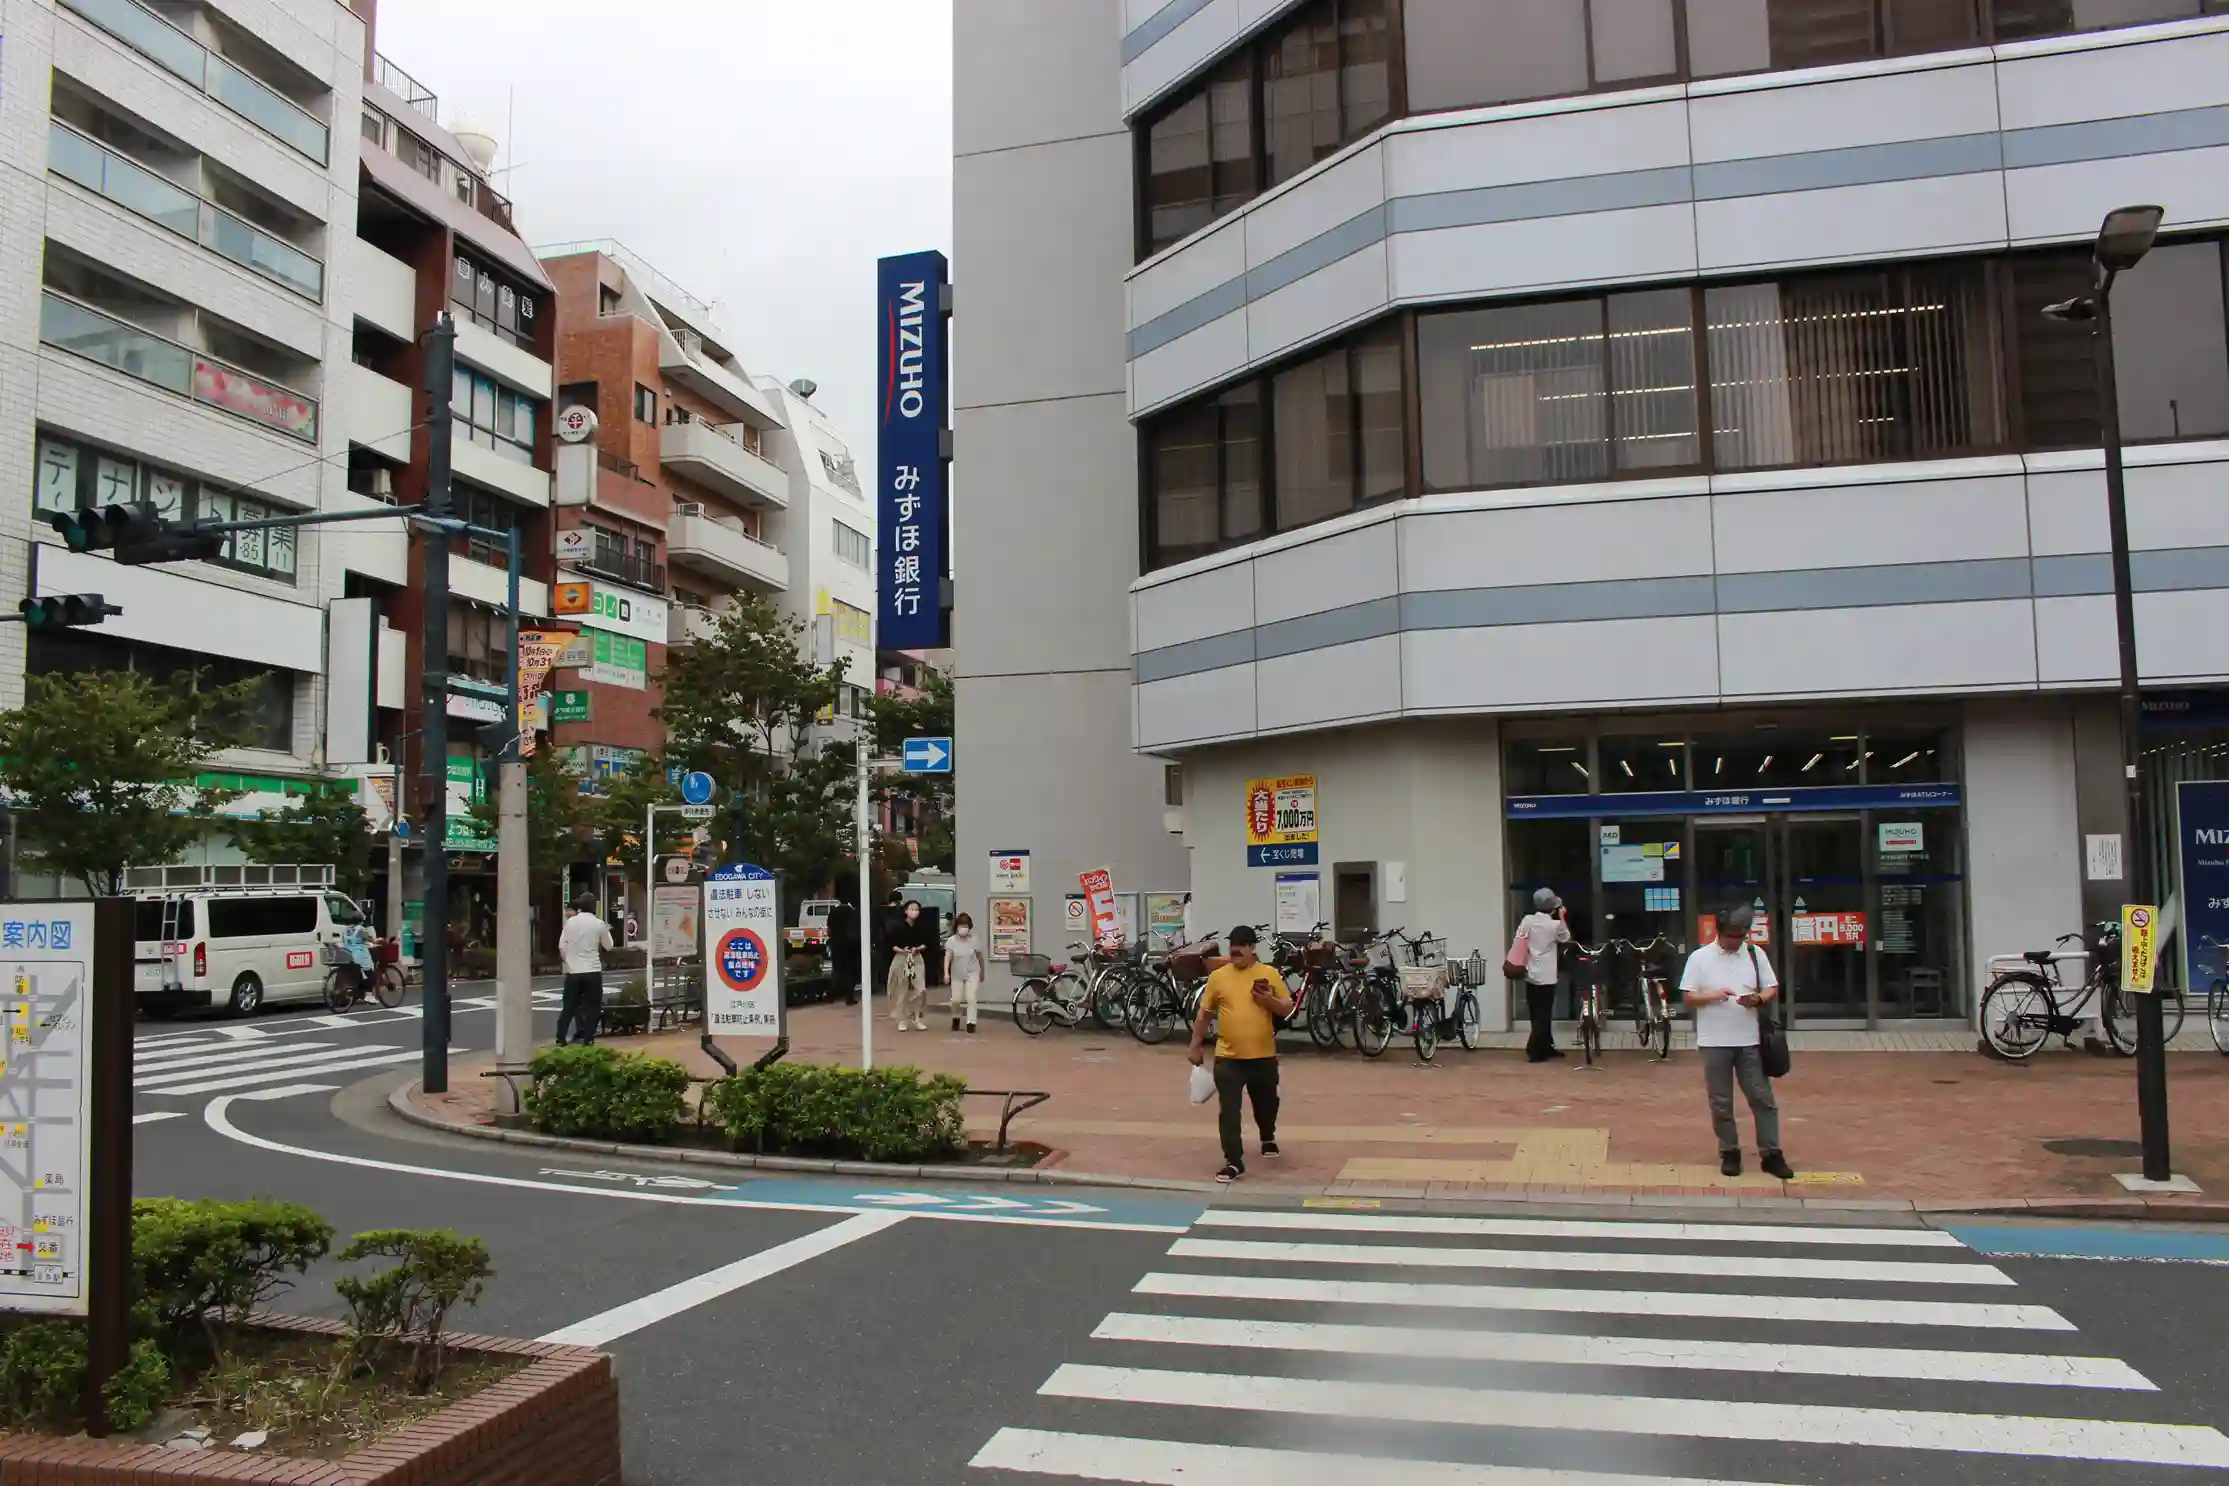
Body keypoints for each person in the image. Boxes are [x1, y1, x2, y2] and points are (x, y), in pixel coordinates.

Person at [1679, 904, 1796, 1180]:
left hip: (1750, 1040)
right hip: (1714, 1041)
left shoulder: (1755, 954)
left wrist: (1758, 999)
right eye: (1732, 936)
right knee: (1720, 1101)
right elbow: (1688, 997)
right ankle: (1729, 1151)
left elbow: (1772, 987)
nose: (1737, 941)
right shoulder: (1700, 958)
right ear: (1719, 932)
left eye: (1741, 936)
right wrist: (1714, 996)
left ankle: (1771, 1153)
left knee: (1762, 1097)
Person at [1188, 924, 1294, 1184]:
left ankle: (1267, 1135)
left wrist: (1268, 1000)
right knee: (1229, 1113)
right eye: (1232, 946)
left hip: (1263, 1056)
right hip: (1228, 1057)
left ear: (1252, 948)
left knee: (1267, 1105)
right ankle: (1233, 1161)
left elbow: (1286, 1008)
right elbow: (1205, 1014)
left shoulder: (1268, 973)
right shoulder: (1219, 977)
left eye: (1241, 946)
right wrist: (1195, 1044)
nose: (1235, 951)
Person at [1515, 888, 1571, 1063]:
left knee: (1535, 1012)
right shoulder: (1554, 925)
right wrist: (1562, 916)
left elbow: (1520, 937)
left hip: (1530, 973)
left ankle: (1546, 1045)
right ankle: (1534, 1050)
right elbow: (1565, 937)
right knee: (1544, 1013)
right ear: (1553, 907)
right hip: (1547, 976)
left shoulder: (1528, 920)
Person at [556, 893, 614, 1047]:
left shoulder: (570, 923)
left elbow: (562, 946)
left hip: (573, 972)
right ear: (594, 906)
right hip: (592, 970)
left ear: (580, 906)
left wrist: (569, 961)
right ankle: (588, 1039)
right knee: (592, 1006)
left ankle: (560, 1036)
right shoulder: (599, 924)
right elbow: (609, 946)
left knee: (569, 1005)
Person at [885, 899, 933, 1031]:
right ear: (905, 911)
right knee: (902, 989)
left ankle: (916, 1017)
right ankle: (902, 1019)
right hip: (901, 958)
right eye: (911, 909)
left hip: (916, 958)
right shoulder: (897, 926)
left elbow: (926, 943)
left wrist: (918, 948)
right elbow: (891, 944)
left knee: (919, 989)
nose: (914, 912)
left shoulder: (922, 926)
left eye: (917, 909)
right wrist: (902, 950)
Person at [944, 911, 983, 1033]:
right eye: (961, 926)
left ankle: (971, 1023)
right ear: (957, 927)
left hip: (972, 972)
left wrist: (982, 971)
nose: (963, 929)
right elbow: (948, 958)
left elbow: (980, 957)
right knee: (956, 1000)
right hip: (957, 974)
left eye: (966, 926)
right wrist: (946, 973)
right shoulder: (951, 941)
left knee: (971, 998)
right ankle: (956, 1017)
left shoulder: (974, 940)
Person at [828, 889, 862, 1006]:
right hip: (851, 946)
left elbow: (829, 929)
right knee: (850, 971)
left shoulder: (833, 912)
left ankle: (831, 995)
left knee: (837, 970)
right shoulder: (853, 912)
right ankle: (849, 997)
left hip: (836, 945)